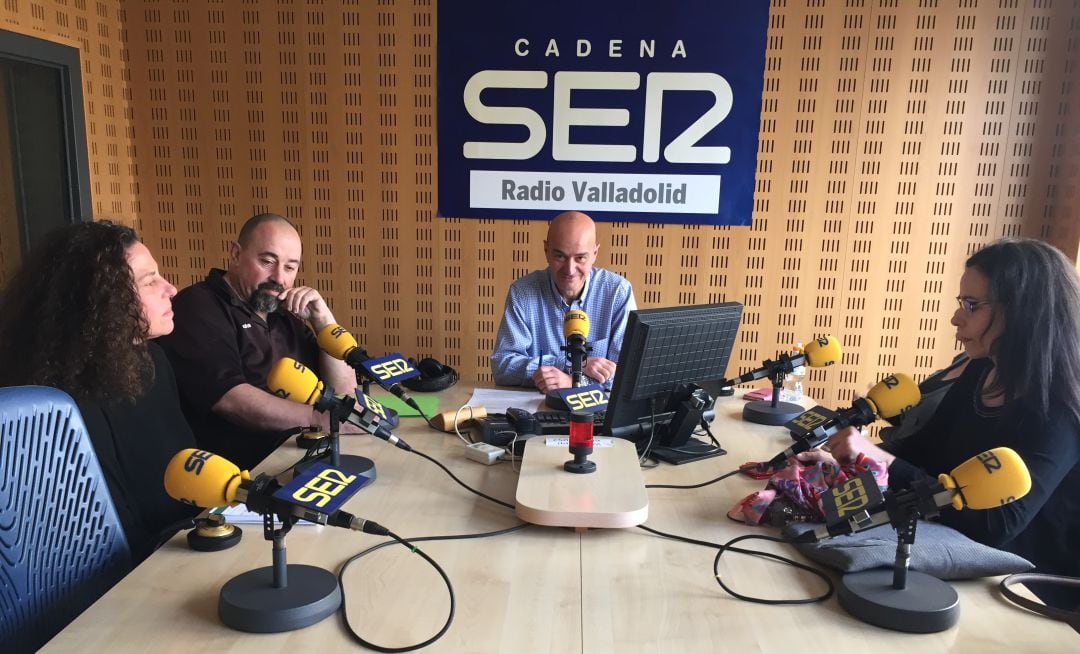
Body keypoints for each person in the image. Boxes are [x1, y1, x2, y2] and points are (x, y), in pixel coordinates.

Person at [806, 238, 1080, 609]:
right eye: (959, 303)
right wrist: (851, 461)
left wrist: (883, 461)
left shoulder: (1060, 408)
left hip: (1023, 592)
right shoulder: (981, 372)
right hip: (957, 557)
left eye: (972, 305)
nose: (956, 318)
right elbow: (921, 453)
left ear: (1022, 312)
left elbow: (998, 526)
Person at [0, 220, 198, 565]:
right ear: (104, 300)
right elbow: (107, 530)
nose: (172, 289)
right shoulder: (60, 397)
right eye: (150, 281)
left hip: (183, 546)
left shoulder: (153, 359)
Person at [158, 213, 360, 471]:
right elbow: (231, 398)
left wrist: (324, 322)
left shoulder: (283, 311)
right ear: (235, 255)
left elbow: (344, 392)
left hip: (300, 458)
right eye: (267, 261)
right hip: (239, 478)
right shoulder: (198, 307)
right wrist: (318, 418)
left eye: (290, 267)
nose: (279, 278)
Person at [490, 211, 636, 393]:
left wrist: (572, 382)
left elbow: (628, 376)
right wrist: (573, 364)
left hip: (598, 414)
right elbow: (502, 366)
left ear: (595, 253)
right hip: (539, 410)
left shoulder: (617, 293)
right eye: (560, 256)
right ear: (546, 251)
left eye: (580, 258)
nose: (570, 269)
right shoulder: (522, 293)